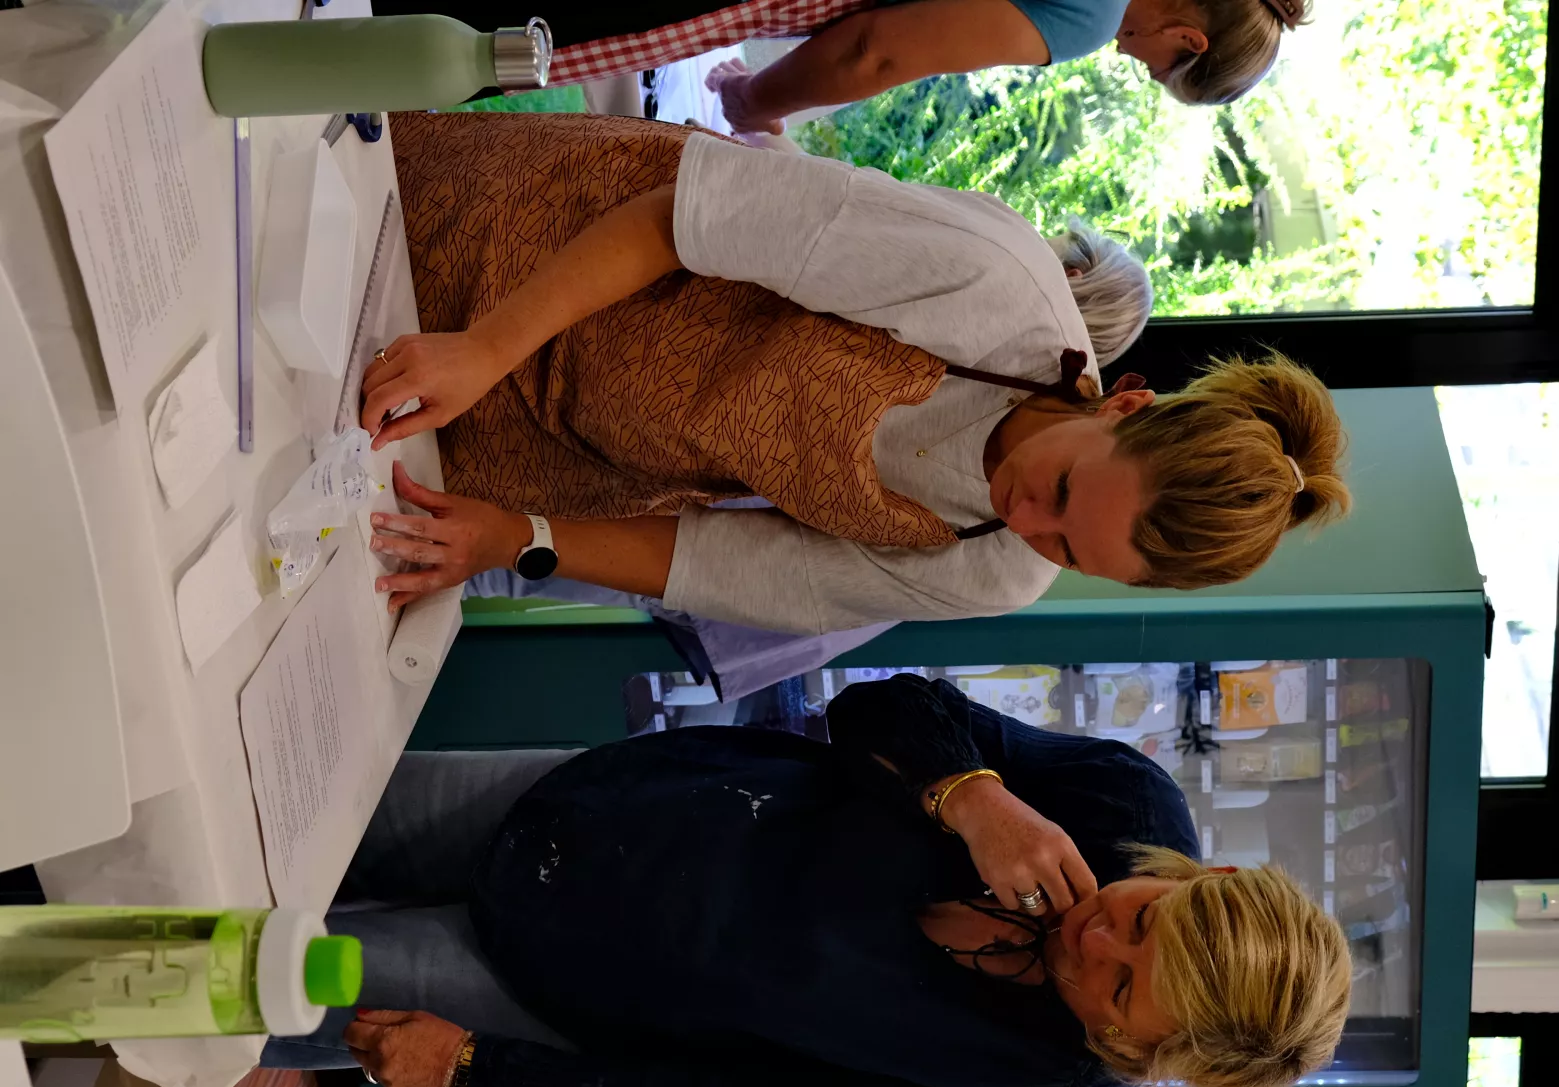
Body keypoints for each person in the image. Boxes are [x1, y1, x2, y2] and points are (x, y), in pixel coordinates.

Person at [262, 675, 1353, 1087]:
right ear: (1204, 874)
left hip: (555, 982)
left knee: (232, 977)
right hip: (601, 808)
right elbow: (878, 707)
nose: (1094, 938)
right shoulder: (1126, 807)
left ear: (1139, 1055)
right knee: (268, 808)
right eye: (1146, 917)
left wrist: (476, 1075)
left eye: (1117, 990)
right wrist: (975, 795)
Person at [362, 113, 1349, 636]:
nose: (1025, 518)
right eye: (1058, 491)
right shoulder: (994, 287)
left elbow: (730, 565)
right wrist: (485, 347)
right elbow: (682, 219)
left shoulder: (996, 572)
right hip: (535, 245)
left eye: (1069, 552)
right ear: (1124, 403)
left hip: (578, 451)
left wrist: (517, 538)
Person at [372, 0, 1306, 118]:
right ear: (1188, 41)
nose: (1132, 60)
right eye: (1155, 67)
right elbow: (875, 50)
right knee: (475, 41)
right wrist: (754, 104)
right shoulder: (1089, 17)